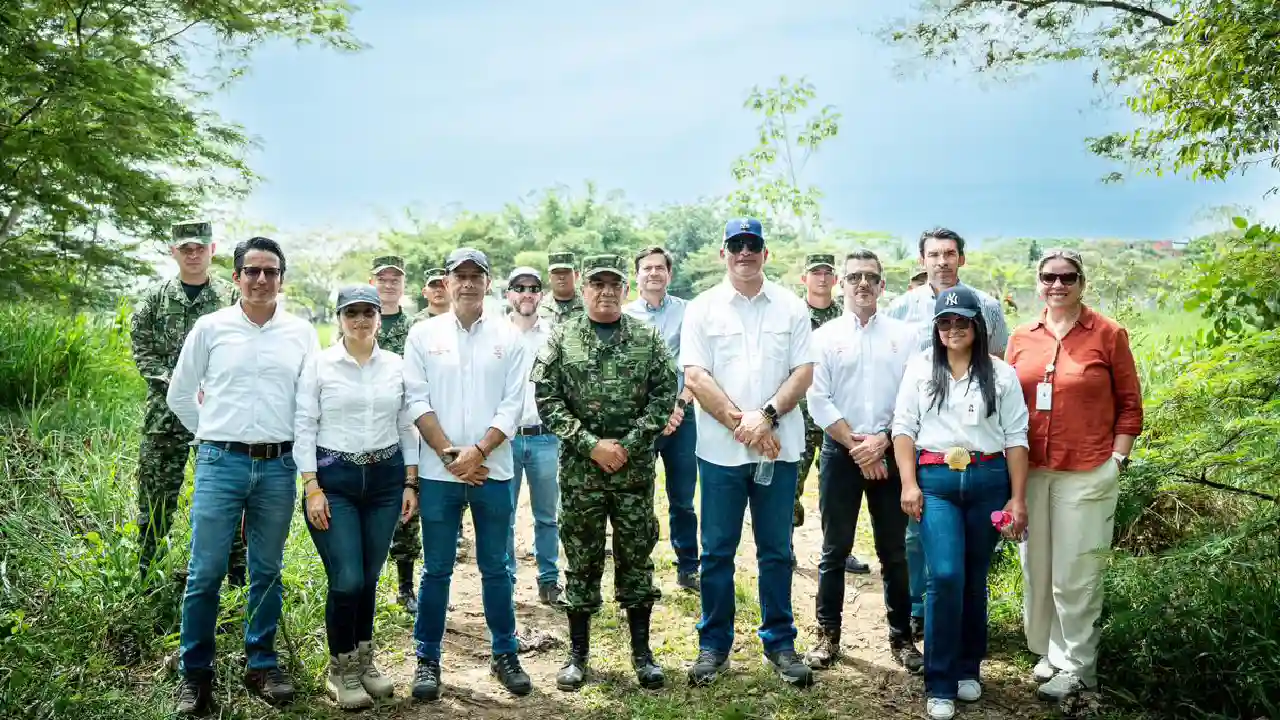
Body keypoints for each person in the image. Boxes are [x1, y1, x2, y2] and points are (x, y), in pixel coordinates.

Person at [166, 237, 320, 715]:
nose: (260, 280)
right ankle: (196, 673)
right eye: (251, 271)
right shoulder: (210, 328)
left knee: (267, 571)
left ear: (281, 279)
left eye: (269, 272)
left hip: (278, 466)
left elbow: (307, 406)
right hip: (220, 464)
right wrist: (214, 435)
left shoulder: (300, 334)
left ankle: (262, 662)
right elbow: (180, 394)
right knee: (205, 572)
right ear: (235, 278)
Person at [681, 217, 816, 688]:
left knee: (776, 551)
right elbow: (696, 377)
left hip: (778, 452)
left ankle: (780, 641)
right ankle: (713, 644)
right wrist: (748, 425)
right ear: (723, 253)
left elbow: (803, 373)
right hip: (721, 453)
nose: (744, 252)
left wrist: (769, 417)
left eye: (752, 244)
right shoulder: (702, 308)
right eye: (735, 245)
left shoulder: (792, 307)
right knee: (716, 552)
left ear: (765, 252)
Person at [532, 253, 677, 692]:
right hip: (581, 473)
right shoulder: (562, 337)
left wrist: (628, 445)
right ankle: (577, 654)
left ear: (625, 290)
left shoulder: (647, 338)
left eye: (614, 284)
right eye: (598, 284)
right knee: (581, 560)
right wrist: (590, 445)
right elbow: (548, 398)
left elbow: (664, 395)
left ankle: (642, 654)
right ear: (584, 288)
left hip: (632, 475)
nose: (607, 291)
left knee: (636, 559)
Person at [1005, 249, 1143, 702]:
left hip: (1087, 471)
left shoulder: (1108, 334)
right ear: (1038, 282)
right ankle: (1049, 652)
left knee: (1077, 573)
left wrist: (1116, 463)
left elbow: (1129, 405)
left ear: (1082, 282)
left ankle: (1080, 667)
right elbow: (1006, 404)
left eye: (1068, 277)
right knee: (1037, 570)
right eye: (1049, 277)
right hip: (1032, 471)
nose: (1058, 285)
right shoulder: (1023, 337)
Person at [891, 284, 1029, 720]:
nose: (953, 329)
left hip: (988, 478)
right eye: (945, 322)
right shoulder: (919, 369)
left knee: (973, 577)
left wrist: (1017, 498)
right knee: (945, 575)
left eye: (961, 322)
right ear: (936, 328)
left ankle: (970, 668)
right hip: (936, 481)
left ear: (977, 326)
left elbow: (1016, 438)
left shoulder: (1000, 374)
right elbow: (903, 429)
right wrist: (908, 484)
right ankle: (940, 680)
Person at [401, 247, 532, 701]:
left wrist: (477, 453)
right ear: (448, 282)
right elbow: (417, 400)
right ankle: (427, 658)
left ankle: (505, 652)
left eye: (477, 275)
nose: (469, 282)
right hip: (441, 476)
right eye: (461, 275)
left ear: (488, 283)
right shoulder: (423, 335)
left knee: (496, 567)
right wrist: (450, 456)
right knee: (436, 569)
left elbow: (512, 405)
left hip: (492, 472)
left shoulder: (508, 337)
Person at [294, 285, 421, 709]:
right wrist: (312, 487)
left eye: (369, 312)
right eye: (352, 313)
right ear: (339, 318)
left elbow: (407, 426)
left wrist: (409, 482)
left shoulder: (397, 366)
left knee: (368, 577)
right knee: (346, 579)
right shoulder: (319, 365)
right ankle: (340, 667)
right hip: (335, 479)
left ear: (379, 318)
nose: (361, 320)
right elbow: (305, 427)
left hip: (385, 480)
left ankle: (366, 661)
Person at [885, 226, 1009, 639]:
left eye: (949, 253)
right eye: (934, 254)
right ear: (921, 260)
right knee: (915, 533)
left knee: (965, 551)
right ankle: (921, 607)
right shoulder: (900, 310)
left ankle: (960, 622)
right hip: (920, 441)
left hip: (976, 442)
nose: (942, 261)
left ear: (961, 258)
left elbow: (999, 366)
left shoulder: (988, 306)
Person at [803, 250, 922, 673]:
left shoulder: (906, 336)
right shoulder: (825, 336)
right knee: (835, 549)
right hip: (841, 452)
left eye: (871, 277)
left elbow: (912, 397)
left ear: (882, 285)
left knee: (895, 551)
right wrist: (859, 447)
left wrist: (882, 441)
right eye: (854, 277)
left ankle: (902, 639)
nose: (863, 284)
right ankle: (827, 635)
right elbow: (817, 398)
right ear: (842, 283)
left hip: (891, 453)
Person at [130, 220, 245, 584]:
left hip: (219, 413)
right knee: (156, 493)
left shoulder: (231, 298)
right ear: (173, 252)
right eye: (185, 249)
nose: (193, 254)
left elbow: (243, 350)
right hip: (165, 415)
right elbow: (143, 351)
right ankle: (149, 571)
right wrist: (179, 385)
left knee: (227, 494)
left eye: (200, 248)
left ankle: (237, 574)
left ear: (212, 250)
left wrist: (210, 386)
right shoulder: (154, 299)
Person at [622, 246, 700, 591]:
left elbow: (697, 364)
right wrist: (653, 412)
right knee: (639, 496)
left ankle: (689, 567)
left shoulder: (690, 312)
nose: (654, 273)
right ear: (637, 275)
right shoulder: (624, 317)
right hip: (641, 419)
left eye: (660, 268)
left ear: (669, 274)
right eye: (647, 268)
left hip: (683, 418)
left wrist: (678, 407)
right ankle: (640, 569)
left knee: (682, 499)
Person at [794, 252, 869, 575]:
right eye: (815, 273)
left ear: (836, 280)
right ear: (805, 279)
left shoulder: (846, 316)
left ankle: (839, 549)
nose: (822, 278)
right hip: (797, 413)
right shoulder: (793, 315)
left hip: (836, 418)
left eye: (827, 273)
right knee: (792, 483)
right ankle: (784, 544)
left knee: (835, 491)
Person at [503, 266, 564, 605]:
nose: (527, 293)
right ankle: (506, 580)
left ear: (541, 295)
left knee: (547, 514)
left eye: (533, 288)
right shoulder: (496, 334)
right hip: (505, 439)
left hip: (545, 438)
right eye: (519, 287)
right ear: (508, 294)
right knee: (504, 514)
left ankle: (549, 580)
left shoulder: (554, 334)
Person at [538, 251, 584, 327]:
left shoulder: (588, 305)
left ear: (576, 275)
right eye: (556, 272)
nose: (561, 277)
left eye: (566, 272)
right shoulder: (539, 307)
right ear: (549, 277)